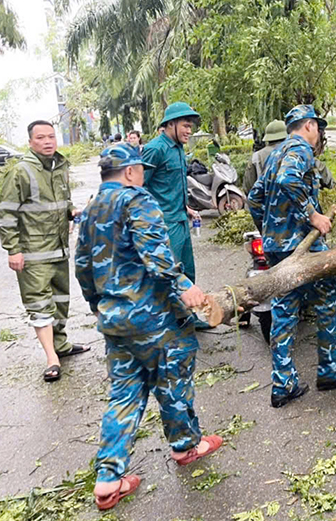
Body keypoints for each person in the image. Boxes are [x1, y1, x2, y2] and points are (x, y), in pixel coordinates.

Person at [75, 144, 222, 511]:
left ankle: (108, 479)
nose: (142, 174)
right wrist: (183, 285)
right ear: (128, 172)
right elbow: (156, 254)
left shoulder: (91, 208)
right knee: (172, 377)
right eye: (139, 168)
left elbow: (81, 266)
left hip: (115, 321)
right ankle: (187, 446)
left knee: (124, 394)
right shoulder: (136, 200)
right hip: (153, 318)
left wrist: (98, 305)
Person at [248, 105, 336, 408]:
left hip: (277, 247)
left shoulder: (274, 154)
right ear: (309, 125)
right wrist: (313, 215)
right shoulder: (300, 150)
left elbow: (254, 198)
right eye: (318, 128)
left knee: (284, 309)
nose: (319, 134)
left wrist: (270, 231)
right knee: (330, 301)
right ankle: (331, 372)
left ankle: (283, 385)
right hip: (303, 248)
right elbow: (288, 180)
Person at [0, 120, 89, 382]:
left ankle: (61, 346)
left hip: (59, 250)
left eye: (51, 136)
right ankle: (51, 358)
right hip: (32, 254)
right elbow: (6, 214)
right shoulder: (21, 172)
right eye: (41, 137)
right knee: (40, 305)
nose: (48, 141)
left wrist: (71, 211)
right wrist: (13, 250)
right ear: (30, 142)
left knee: (61, 301)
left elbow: (63, 201)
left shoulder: (60, 167)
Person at [142, 102, 208, 329]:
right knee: (169, 274)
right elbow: (140, 186)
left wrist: (186, 208)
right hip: (164, 224)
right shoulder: (155, 149)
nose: (189, 131)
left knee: (187, 271)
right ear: (170, 124)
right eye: (186, 126)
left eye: (190, 127)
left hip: (180, 219)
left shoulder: (179, 148)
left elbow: (174, 185)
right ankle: (167, 324)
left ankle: (187, 316)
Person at [243, 120, 336, 195]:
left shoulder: (256, 158)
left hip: (267, 213)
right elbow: (330, 184)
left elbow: (248, 189)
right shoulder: (301, 153)